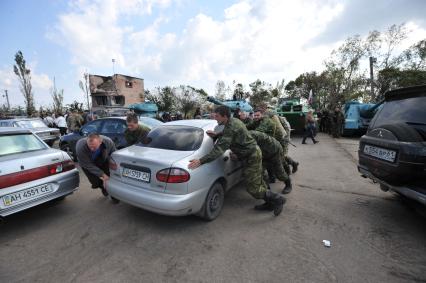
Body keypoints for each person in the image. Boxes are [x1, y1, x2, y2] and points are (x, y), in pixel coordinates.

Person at [188, 106, 284, 216]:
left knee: (253, 187)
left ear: (225, 116)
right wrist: (218, 134)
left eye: (217, 116)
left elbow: (218, 150)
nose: (216, 119)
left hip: (252, 155)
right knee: (257, 182)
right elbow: (230, 133)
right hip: (249, 154)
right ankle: (269, 203)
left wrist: (200, 161)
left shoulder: (231, 126)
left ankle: (278, 199)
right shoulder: (233, 121)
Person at [249, 130, 293, 196]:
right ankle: (267, 189)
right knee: (260, 171)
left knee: (279, 172)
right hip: (263, 153)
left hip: (274, 151)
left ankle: (288, 184)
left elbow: (249, 148)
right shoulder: (245, 136)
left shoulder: (251, 135)